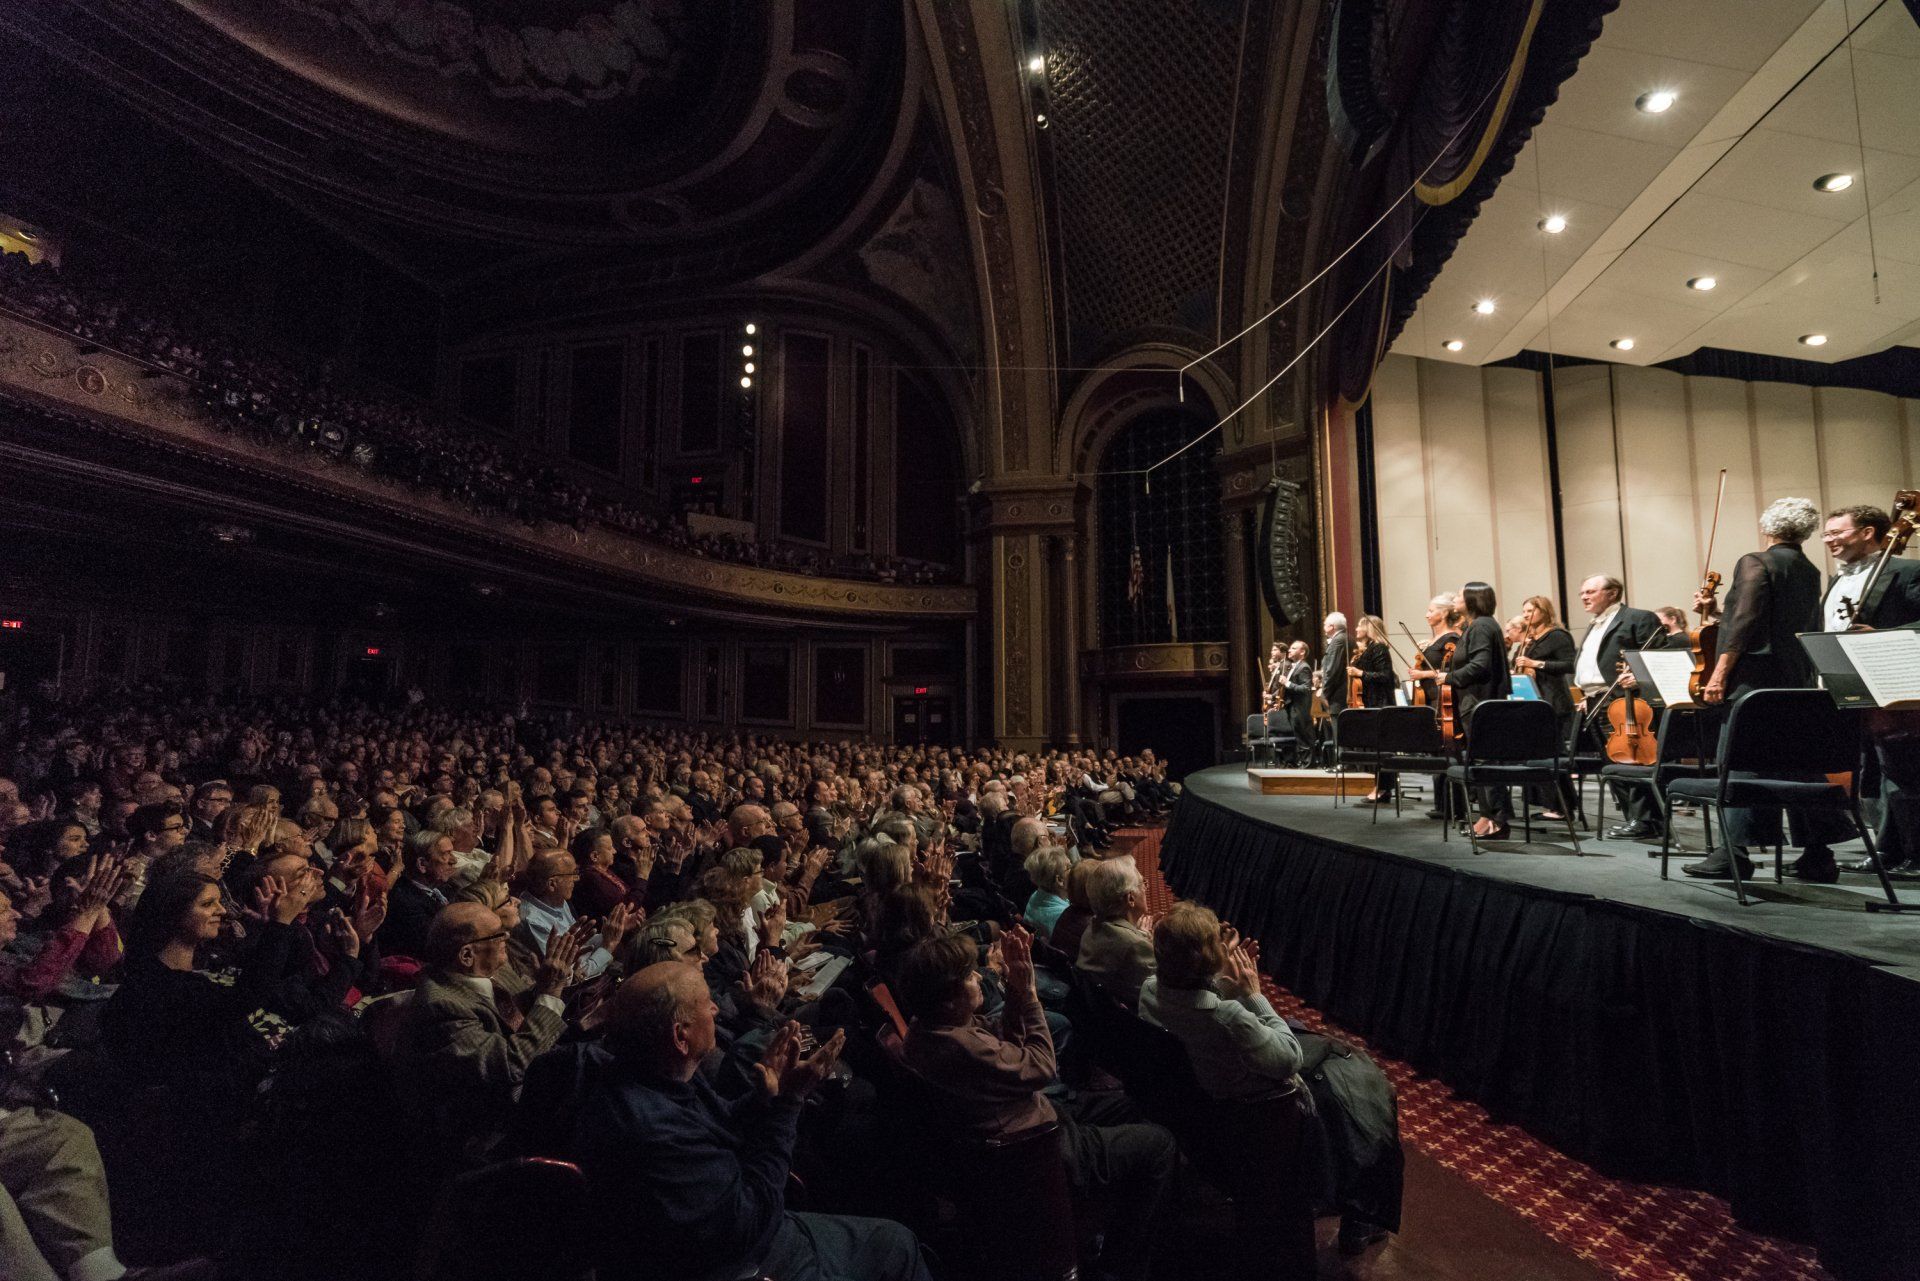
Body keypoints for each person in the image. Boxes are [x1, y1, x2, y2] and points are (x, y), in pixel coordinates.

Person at [568, 963, 930, 1281]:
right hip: (742, 1261)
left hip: (747, 1230)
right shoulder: (650, 1130)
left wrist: (765, 1096)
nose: (715, 1008)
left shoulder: (657, 1072)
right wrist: (790, 1102)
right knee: (899, 1250)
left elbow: (721, 1123)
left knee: (895, 1239)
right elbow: (748, 1220)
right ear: (680, 1036)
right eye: (706, 1004)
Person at [897, 927, 1176, 1281]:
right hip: (1040, 1148)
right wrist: (1028, 995)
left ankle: (1114, 1215)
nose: (978, 979)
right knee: (1161, 1144)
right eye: (969, 976)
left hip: (1028, 1119)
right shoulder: (960, 1045)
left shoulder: (929, 1030)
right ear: (949, 1000)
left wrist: (1014, 991)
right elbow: (1042, 1067)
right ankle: (1121, 1267)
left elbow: (1007, 1047)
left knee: (1127, 1105)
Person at [1687, 497, 1848, 882]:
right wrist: (1715, 613)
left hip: (1753, 678)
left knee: (1743, 759)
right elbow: (1770, 620)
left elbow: (1745, 620)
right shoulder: (1809, 570)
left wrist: (1719, 673)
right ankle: (1818, 854)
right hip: (1795, 676)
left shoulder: (1754, 561)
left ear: (1768, 528)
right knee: (1798, 761)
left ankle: (1735, 852)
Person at [390, 901, 582, 1167]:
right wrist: (550, 993)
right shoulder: (441, 1008)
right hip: (482, 1135)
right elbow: (509, 1065)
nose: (507, 937)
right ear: (467, 955)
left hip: (507, 1100)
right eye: (498, 934)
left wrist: (546, 985)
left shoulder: (471, 975)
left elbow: (509, 1013)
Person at [1410, 582, 1510, 837]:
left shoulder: (1481, 626)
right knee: (1480, 760)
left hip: (1479, 704)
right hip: (1476, 703)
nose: (1455, 598)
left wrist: (1447, 677)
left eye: (1459, 595)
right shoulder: (1479, 625)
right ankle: (1487, 817)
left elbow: (1480, 665)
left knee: (1486, 762)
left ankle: (1496, 821)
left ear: (1472, 599)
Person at [1570, 575, 1665, 841]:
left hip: (1624, 700)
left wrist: (1639, 676)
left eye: (1590, 591)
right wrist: (1586, 693)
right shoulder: (1593, 624)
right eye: (1582, 593)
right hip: (1595, 700)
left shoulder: (1638, 618)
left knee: (1631, 760)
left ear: (1612, 593)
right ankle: (1635, 819)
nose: (1584, 597)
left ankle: (1646, 820)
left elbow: (1659, 654)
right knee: (1612, 762)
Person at [1511, 595, 1578, 818]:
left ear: (1544, 610)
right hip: (1535, 701)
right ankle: (1550, 805)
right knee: (1539, 754)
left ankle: (1562, 807)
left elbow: (1570, 664)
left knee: (1553, 754)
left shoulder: (1557, 635)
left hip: (1553, 701)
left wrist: (1536, 663)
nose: (1526, 615)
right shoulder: (1532, 639)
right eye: (1525, 611)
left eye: (1531, 610)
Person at [1073, 856, 1155, 1008]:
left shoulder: (1093, 926)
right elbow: (1157, 993)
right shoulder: (1136, 946)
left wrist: (1140, 933)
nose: (1146, 888)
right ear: (1130, 898)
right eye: (1143, 883)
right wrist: (1149, 940)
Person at [1317, 613, 1352, 718]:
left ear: (1331, 626)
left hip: (1338, 696)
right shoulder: (1347, 637)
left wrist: (1324, 693)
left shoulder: (1337, 640)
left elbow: (1332, 670)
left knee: (1338, 732)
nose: (1323, 628)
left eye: (1325, 625)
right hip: (1343, 693)